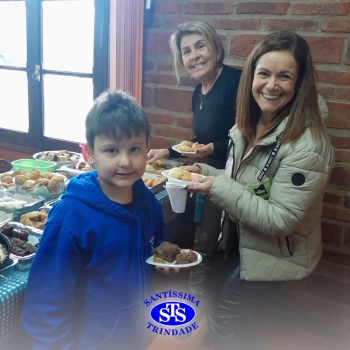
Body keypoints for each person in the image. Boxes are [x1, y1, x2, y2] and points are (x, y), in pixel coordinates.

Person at [186, 31, 334, 349]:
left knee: (222, 319)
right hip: (248, 244)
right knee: (236, 318)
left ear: (300, 83)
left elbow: (281, 219)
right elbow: (247, 185)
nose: (271, 85)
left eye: (285, 76)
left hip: (276, 255)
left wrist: (218, 187)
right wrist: (207, 172)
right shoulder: (251, 124)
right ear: (252, 76)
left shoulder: (308, 144)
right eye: (263, 73)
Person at [21, 90, 165, 350]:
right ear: (88, 154)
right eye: (111, 150)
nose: (124, 161)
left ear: (147, 149)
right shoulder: (69, 219)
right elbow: (44, 309)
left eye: (135, 149)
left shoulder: (151, 205)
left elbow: (155, 259)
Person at [148, 21, 242, 297]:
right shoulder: (198, 92)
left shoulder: (235, 83)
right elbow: (197, 142)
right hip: (208, 176)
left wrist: (210, 148)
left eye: (200, 45)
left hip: (231, 180)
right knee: (202, 241)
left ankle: (201, 303)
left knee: (212, 246)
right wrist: (168, 151)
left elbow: (248, 139)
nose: (195, 55)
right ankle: (197, 297)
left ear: (215, 47)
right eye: (186, 51)